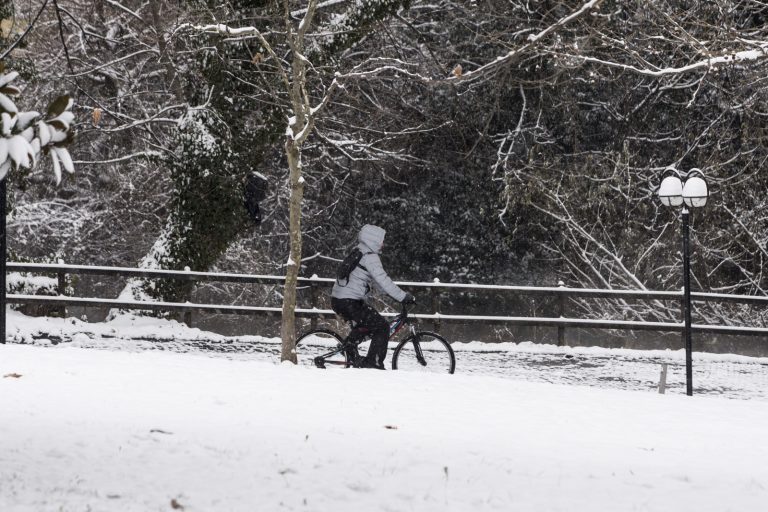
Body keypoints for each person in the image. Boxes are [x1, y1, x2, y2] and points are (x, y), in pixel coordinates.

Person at [331, 224, 415, 369]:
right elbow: (384, 280)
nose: (382, 244)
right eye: (381, 240)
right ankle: (373, 362)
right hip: (349, 302)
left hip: (341, 300)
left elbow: (378, 283)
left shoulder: (359, 250)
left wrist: (393, 294)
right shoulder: (370, 257)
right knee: (382, 326)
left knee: (369, 323)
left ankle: (349, 347)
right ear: (374, 240)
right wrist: (403, 297)